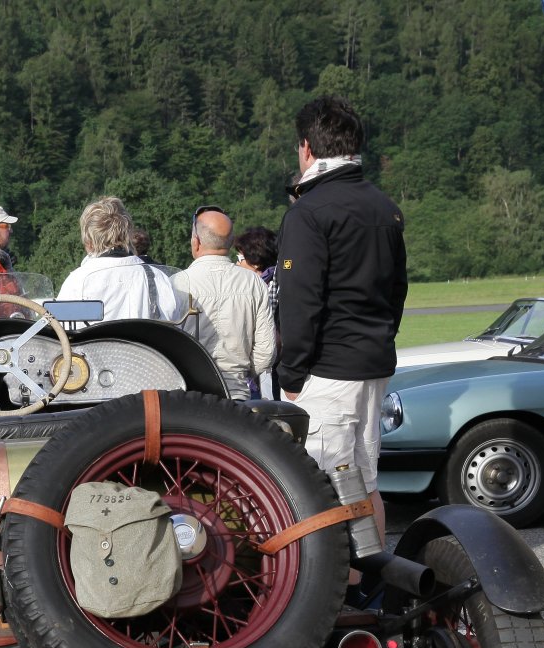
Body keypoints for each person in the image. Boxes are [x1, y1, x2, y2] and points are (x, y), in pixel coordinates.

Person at [275, 96, 407, 593]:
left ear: (307, 148)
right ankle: (369, 584)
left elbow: (300, 302)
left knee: (319, 485)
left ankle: (334, 594)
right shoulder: (385, 207)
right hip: (373, 362)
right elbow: (397, 291)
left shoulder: (309, 212)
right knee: (365, 480)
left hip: (327, 370)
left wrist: (291, 374)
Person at [172, 207, 274, 401]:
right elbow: (266, 351)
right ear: (231, 242)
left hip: (189, 394)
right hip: (237, 392)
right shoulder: (253, 283)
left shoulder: (176, 283)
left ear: (196, 241)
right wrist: (240, 373)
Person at [58, 197, 182, 322]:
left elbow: (61, 329)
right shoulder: (159, 278)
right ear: (128, 234)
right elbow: (174, 324)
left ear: (89, 241)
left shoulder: (77, 282)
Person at [234, 226, 281, 398]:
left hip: (270, 369)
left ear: (255, 263)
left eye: (240, 258)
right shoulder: (277, 279)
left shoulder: (267, 287)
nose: (236, 264)